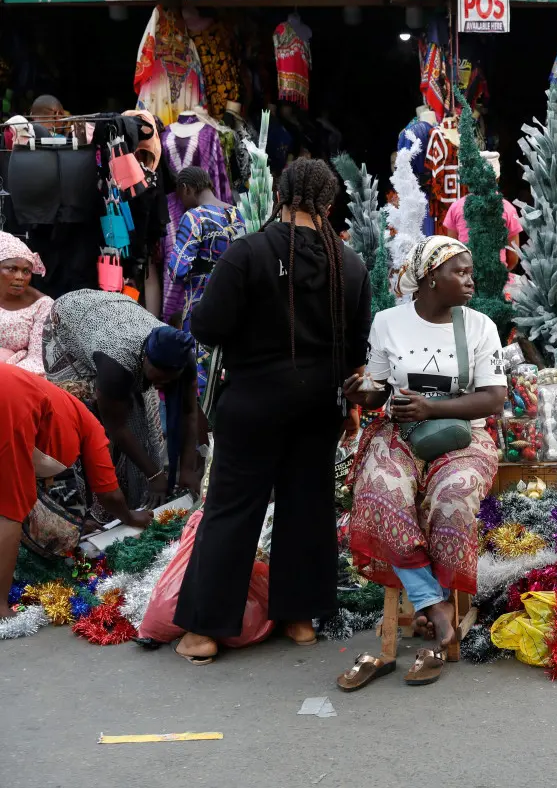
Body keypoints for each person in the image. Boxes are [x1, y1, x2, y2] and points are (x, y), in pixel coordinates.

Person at [172, 158, 372, 664]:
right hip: (317, 405)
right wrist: (349, 406)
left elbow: (207, 325)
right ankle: (300, 620)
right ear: (328, 205)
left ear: (280, 195)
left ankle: (204, 633)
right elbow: (357, 349)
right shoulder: (349, 263)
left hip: (253, 402)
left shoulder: (249, 252)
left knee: (234, 509)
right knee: (307, 506)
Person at [344, 236, 506, 687]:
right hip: (400, 434)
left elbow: (494, 398)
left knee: (452, 495)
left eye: (470, 271)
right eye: (462, 271)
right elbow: (376, 387)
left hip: (462, 435)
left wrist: (433, 408)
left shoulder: (478, 326)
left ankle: (434, 609)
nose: (471, 279)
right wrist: (361, 393)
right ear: (432, 277)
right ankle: (434, 606)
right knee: (379, 489)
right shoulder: (388, 322)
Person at [0, 365, 151, 616]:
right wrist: (132, 516)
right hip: (11, 403)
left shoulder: (55, 400)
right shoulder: (90, 424)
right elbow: (108, 492)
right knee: (9, 510)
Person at [42, 290, 199, 511]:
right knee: (92, 424)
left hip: (117, 312)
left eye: (171, 379)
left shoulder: (182, 354)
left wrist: (188, 470)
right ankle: (103, 510)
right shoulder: (116, 366)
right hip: (69, 322)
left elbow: (188, 412)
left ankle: (139, 496)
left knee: (146, 423)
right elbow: (117, 427)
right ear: (145, 358)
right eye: (159, 376)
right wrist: (154, 475)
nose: (163, 383)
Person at [166, 166, 246, 389]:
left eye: (180, 195)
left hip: (201, 306)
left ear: (186, 188)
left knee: (199, 376)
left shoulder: (195, 217)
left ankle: (202, 421)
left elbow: (177, 270)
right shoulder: (239, 215)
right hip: (234, 307)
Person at [442, 151, 522, 271]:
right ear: (498, 178)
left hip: (465, 281)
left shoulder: (456, 208)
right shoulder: (508, 209)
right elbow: (513, 257)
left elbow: (451, 252)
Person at [0, 231, 53, 375]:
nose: (20, 277)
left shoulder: (43, 306)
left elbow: (37, 360)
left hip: (18, 377)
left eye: (26, 271)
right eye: (11, 269)